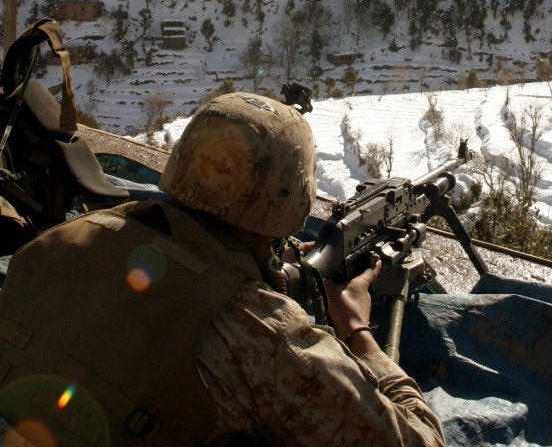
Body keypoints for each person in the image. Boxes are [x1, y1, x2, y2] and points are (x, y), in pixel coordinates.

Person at [0, 92, 445, 447]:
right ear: (292, 200)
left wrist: (264, 271)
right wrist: (357, 330)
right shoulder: (258, 333)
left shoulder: (57, 240)